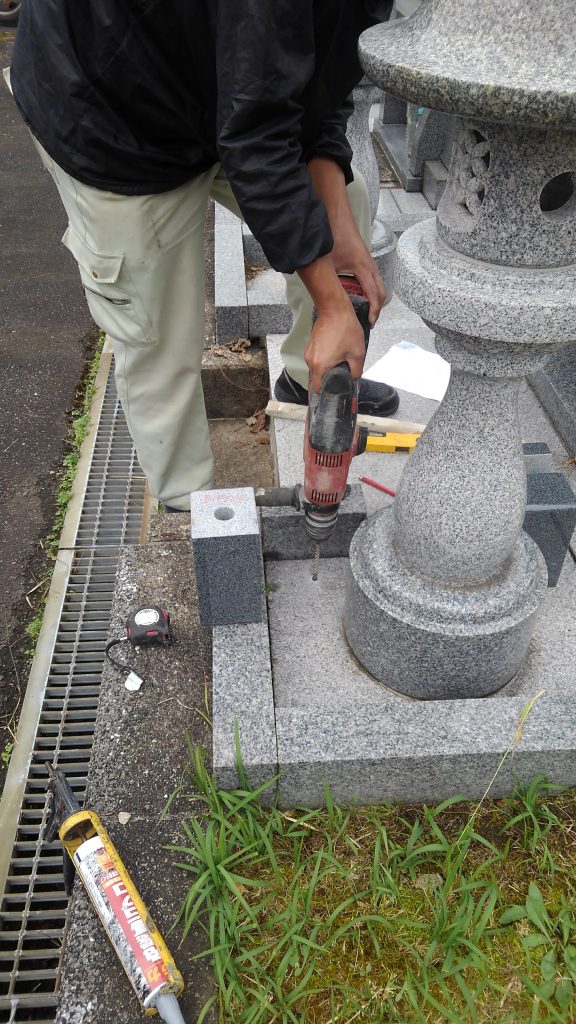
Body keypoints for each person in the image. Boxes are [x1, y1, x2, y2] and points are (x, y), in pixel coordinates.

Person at [7, 0, 397, 511]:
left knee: (351, 196)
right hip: (114, 110)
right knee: (158, 320)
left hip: (214, 77)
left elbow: (322, 83)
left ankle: (312, 381)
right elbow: (255, 137)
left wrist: (338, 227)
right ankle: (187, 504)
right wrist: (331, 303)